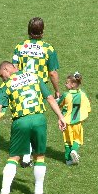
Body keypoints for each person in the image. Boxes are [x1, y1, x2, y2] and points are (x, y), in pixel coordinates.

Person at [0, 61, 66, 194]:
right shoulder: (34, 76)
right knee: (40, 156)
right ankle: (38, 193)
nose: (2, 78)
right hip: (39, 119)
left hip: (21, 121)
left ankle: (4, 192)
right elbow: (49, 98)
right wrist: (60, 117)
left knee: (14, 157)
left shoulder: (7, 85)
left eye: (2, 75)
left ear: (7, 69)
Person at [13, 17, 60, 167]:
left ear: (28, 31)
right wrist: (56, 90)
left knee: (24, 115)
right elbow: (52, 73)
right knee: (35, 118)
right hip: (38, 87)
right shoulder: (48, 48)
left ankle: (25, 155)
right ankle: (30, 155)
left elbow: (13, 68)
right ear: (42, 31)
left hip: (20, 86)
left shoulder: (19, 47)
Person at [57, 72, 91, 165]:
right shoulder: (83, 94)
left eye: (67, 82)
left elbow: (58, 105)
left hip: (66, 122)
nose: (65, 84)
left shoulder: (66, 95)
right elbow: (88, 107)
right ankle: (74, 150)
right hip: (77, 122)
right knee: (78, 139)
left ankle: (68, 160)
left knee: (67, 141)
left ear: (72, 84)